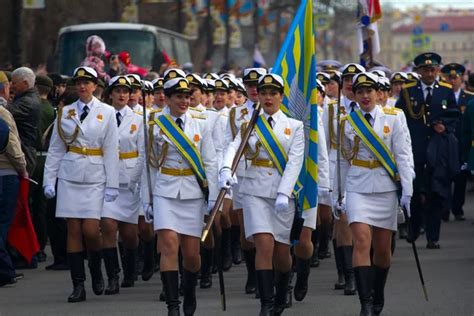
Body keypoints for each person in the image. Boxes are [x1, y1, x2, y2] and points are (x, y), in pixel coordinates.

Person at [220, 73, 304, 315]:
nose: (268, 98)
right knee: (263, 245)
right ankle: (266, 305)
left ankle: (282, 290)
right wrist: (226, 169)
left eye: (273, 93)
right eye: (264, 93)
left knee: (282, 253)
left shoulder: (294, 127)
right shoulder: (250, 123)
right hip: (254, 192)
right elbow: (234, 147)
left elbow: (294, 163)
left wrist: (283, 193)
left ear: (281, 96)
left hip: (281, 195)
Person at [339, 72, 413, 315]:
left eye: (369, 91)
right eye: (359, 92)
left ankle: (377, 291)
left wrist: (407, 192)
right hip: (358, 185)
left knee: (382, 250)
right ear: (355, 95)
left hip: (385, 187)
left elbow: (403, 154)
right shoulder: (348, 122)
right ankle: (365, 303)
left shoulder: (394, 117)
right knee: (361, 241)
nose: (364, 96)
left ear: (378, 93)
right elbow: (343, 161)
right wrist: (339, 193)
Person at [43, 66, 120, 302]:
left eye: (88, 83)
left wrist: (113, 184)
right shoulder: (65, 112)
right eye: (79, 83)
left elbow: (111, 149)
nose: (83, 86)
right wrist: (49, 180)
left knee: (90, 230)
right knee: (73, 230)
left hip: (96, 175)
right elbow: (56, 149)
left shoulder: (106, 112)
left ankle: (96, 272)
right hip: (70, 175)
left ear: (95, 86)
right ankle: (78, 285)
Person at [147, 77, 218, 316]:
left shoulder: (201, 123)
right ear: (167, 99)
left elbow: (209, 161)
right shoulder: (154, 124)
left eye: (187, 97)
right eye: (179, 97)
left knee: (191, 255)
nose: (185, 101)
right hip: (165, 190)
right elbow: (147, 166)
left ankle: (189, 292)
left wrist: (213, 197)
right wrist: (146, 199)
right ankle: (173, 306)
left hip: (193, 192)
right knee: (168, 244)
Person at [396, 52, 458, 249]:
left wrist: (445, 126)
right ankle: (414, 227)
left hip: (438, 151)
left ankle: (433, 237)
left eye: (433, 70)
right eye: (425, 70)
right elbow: (399, 117)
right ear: (419, 71)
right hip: (416, 149)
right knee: (414, 193)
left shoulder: (446, 91)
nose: (429, 74)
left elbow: (454, 115)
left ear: (438, 70)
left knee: (436, 192)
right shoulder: (408, 91)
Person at [224, 67, 267, 296]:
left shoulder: (273, 110)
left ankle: (264, 277)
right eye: (249, 85)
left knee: (266, 232)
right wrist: (225, 171)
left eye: (257, 85)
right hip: (243, 177)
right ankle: (253, 273)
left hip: (269, 177)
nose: (253, 89)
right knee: (247, 232)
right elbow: (226, 144)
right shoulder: (235, 114)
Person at [100, 75, 144, 294]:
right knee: (107, 225)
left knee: (129, 233)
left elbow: (142, 152)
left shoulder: (138, 118)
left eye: (126, 91)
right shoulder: (102, 115)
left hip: (129, 178)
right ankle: (113, 276)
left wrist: (138, 179)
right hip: (107, 177)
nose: (122, 95)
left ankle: (129, 268)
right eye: (117, 91)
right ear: (110, 94)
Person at [0, 70, 28, 287]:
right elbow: (12, 144)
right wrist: (22, 168)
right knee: (3, 223)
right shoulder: (3, 112)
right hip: (6, 173)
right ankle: (5, 270)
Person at [440, 63, 474, 221]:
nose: (452, 81)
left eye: (455, 77)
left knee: (460, 178)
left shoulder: (469, 97)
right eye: (449, 78)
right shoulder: (440, 95)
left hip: (461, 143)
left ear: (461, 79)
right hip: (445, 142)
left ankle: (457, 208)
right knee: (445, 178)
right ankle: (445, 209)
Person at [28, 75, 55, 263]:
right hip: (48, 159)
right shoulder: (51, 109)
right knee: (42, 208)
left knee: (33, 207)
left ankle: (36, 246)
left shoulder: (35, 108)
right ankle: (42, 245)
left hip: (36, 159)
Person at [7, 67, 42, 175]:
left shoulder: (29, 102)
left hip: (24, 154)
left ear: (25, 83)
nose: (11, 86)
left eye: (14, 83)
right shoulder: (25, 98)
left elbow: (7, 112)